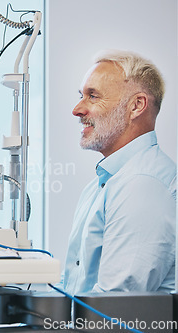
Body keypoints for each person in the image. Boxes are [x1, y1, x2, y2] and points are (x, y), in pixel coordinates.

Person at [63, 50, 176, 295]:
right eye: (81, 96)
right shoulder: (102, 184)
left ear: (136, 106)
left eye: (93, 96)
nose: (77, 109)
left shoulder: (143, 185)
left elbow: (116, 309)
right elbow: (74, 288)